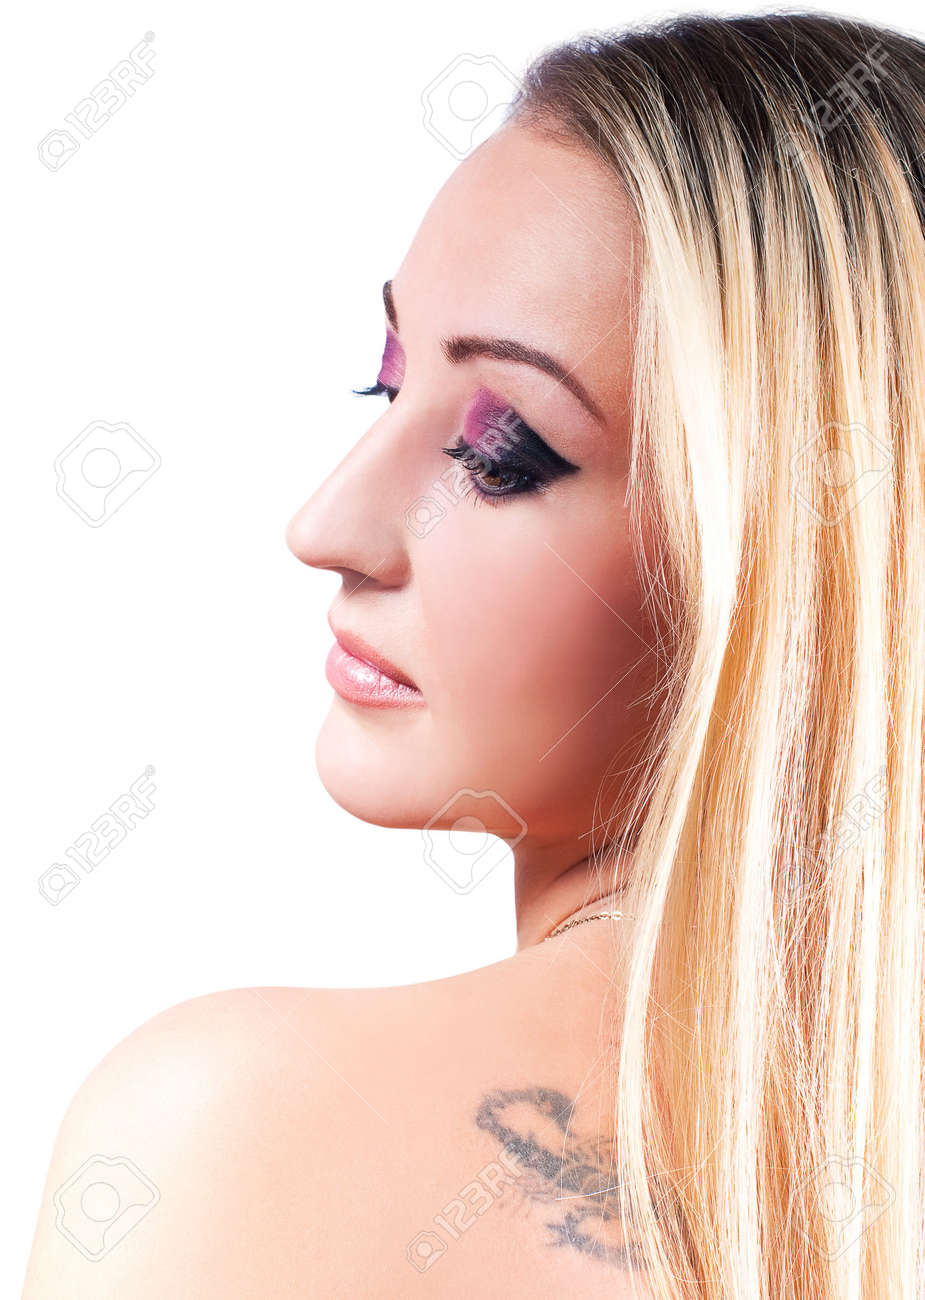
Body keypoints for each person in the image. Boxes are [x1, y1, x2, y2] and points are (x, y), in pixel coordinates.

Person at [22, 12, 925, 1298]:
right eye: (385, 383)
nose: (324, 525)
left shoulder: (237, 1130)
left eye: (502, 453)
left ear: (805, 553)